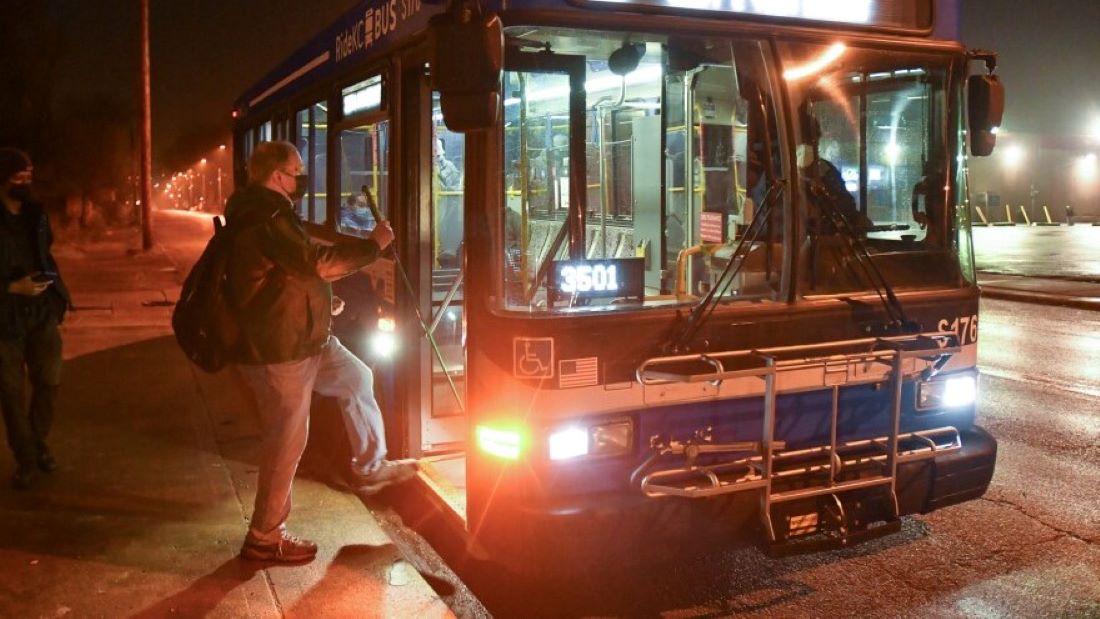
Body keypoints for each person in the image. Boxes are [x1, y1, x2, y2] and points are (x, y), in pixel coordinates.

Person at [223, 141, 418, 563]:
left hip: (304, 335)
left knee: (356, 377)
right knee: (287, 439)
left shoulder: (269, 212)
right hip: (280, 348)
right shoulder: (265, 215)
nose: (301, 178)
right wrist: (373, 246)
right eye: (296, 170)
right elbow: (316, 262)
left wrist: (319, 303)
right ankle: (264, 536)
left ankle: (371, 467)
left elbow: (286, 274)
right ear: (278, 176)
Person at [0, 147, 71, 490]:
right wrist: (14, 286)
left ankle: (38, 442)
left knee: (50, 381)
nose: (25, 181)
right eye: (18, 175)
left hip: (41, 311)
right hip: (5, 318)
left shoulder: (36, 213)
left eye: (29, 174)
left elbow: (47, 252)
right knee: (11, 394)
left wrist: (51, 291)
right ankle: (27, 459)